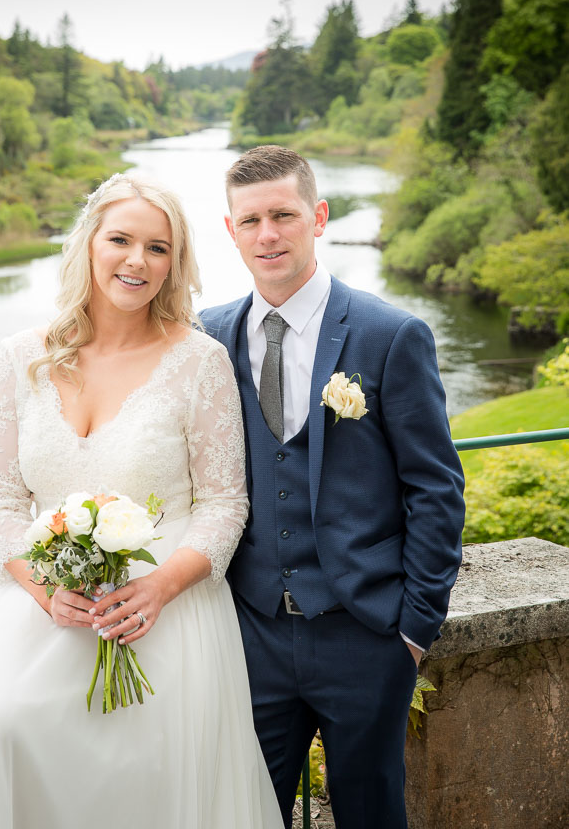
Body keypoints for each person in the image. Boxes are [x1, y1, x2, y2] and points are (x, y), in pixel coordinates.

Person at [0, 174, 283, 829]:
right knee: (0, 725)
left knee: (147, 772)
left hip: (162, 609)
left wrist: (159, 589)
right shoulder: (21, 358)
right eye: (120, 239)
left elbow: (225, 503)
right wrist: (42, 589)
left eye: (158, 247)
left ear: (175, 264)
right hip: (41, 601)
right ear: (88, 244)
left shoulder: (200, 361)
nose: (136, 261)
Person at [199, 145, 466, 829]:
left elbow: (434, 490)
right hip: (249, 635)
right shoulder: (206, 340)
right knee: (247, 813)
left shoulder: (389, 334)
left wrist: (412, 630)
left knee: (371, 814)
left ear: (316, 217)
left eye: (283, 215)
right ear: (229, 229)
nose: (268, 234)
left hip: (366, 637)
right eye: (250, 219)